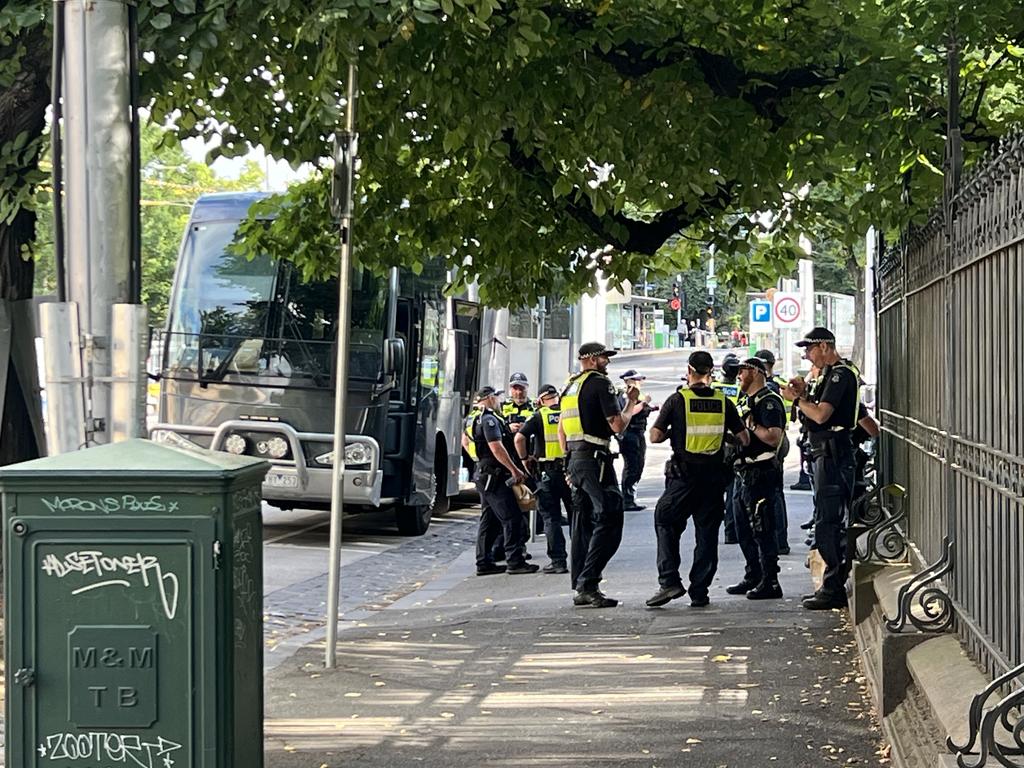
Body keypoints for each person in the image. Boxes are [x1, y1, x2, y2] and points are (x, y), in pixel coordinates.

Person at [645, 351, 747, 609]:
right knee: (707, 533)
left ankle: (669, 581)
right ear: (710, 372)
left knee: (665, 520)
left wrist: (672, 432)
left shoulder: (677, 400)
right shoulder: (724, 402)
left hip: (684, 477)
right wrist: (726, 437)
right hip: (714, 478)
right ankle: (700, 591)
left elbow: (655, 437)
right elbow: (743, 439)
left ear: (689, 370)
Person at [782, 327, 859, 610]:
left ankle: (833, 586)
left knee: (830, 521)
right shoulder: (827, 375)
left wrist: (798, 401)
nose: (806, 355)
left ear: (825, 346)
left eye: (810, 349)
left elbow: (821, 414)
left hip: (833, 453)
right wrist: (803, 393)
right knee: (825, 521)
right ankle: (830, 582)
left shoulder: (840, 374)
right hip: (824, 453)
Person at [559, 341, 640, 608]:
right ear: (592, 359)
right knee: (610, 516)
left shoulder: (571, 385)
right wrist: (631, 404)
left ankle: (581, 584)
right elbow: (617, 425)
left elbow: (562, 430)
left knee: (582, 523)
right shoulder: (599, 384)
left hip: (576, 459)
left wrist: (567, 462)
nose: (608, 361)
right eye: (605, 357)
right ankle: (589, 582)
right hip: (595, 459)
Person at [727, 357, 787, 600]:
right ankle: (754, 574)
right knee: (743, 527)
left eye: (742, 371)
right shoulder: (746, 400)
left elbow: (773, 437)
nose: (738, 376)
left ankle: (770, 580)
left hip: (761, 472)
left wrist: (751, 426)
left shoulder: (769, 401)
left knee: (762, 526)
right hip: (743, 472)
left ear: (754, 372)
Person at [467, 386, 540, 576]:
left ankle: (484, 562)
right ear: (490, 398)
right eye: (497, 397)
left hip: (484, 473)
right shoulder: (489, 419)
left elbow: (466, 442)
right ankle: (515, 561)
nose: (500, 401)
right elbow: (496, 447)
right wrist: (514, 469)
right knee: (512, 518)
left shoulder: (474, 417)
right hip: (495, 475)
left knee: (489, 519)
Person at [515, 384, 570, 574]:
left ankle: (558, 561)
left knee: (551, 518)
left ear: (540, 400)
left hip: (546, 473)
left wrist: (524, 460)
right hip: (570, 472)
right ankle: (583, 557)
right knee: (577, 515)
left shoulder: (539, 415)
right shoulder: (569, 412)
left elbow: (519, 439)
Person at [754, 349, 792, 555]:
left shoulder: (767, 389)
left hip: (771, 443)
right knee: (775, 494)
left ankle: (778, 540)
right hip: (779, 442)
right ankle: (779, 540)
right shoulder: (779, 383)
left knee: (772, 495)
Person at [616, 369, 655, 512]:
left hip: (638, 433)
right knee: (632, 466)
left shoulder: (636, 396)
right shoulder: (626, 395)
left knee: (638, 465)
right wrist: (644, 403)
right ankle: (627, 499)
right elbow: (629, 412)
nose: (640, 382)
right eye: (637, 380)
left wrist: (650, 408)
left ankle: (630, 497)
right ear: (629, 381)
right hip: (629, 434)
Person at [715, 353, 742, 545]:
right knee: (733, 490)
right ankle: (730, 531)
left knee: (715, 490)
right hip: (734, 444)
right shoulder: (741, 389)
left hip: (715, 445)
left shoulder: (714, 388)